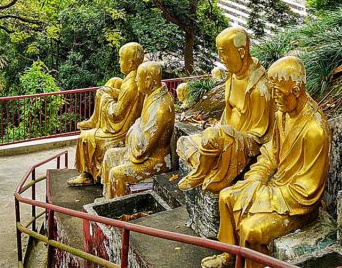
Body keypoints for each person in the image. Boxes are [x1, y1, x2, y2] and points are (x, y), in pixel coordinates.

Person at [201, 56, 329, 268]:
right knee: (226, 196)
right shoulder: (283, 114)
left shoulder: (315, 130)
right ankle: (229, 256)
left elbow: (308, 191)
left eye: (278, 92)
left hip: (297, 204)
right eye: (272, 90)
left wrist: (264, 195)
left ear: (296, 90)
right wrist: (256, 178)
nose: (274, 97)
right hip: (276, 188)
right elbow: (271, 153)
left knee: (252, 230)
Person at [177, 26, 274, 193]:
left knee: (213, 137)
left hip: (244, 144)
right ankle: (208, 164)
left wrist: (225, 136)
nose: (221, 59)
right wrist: (218, 134)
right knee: (183, 142)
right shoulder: (232, 76)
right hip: (225, 137)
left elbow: (259, 137)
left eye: (224, 53)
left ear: (242, 52)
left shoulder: (259, 88)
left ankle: (202, 171)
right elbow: (227, 115)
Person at [68, 42, 145, 187]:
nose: (118, 62)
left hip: (120, 131)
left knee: (85, 137)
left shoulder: (131, 84)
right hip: (126, 123)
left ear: (130, 63)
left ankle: (87, 175)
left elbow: (116, 114)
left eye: (121, 58)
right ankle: (94, 119)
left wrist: (106, 98)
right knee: (113, 82)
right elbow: (123, 98)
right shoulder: (132, 78)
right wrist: (109, 92)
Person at [100, 61, 175, 198]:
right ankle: (108, 198)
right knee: (110, 155)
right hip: (143, 151)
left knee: (117, 174)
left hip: (154, 159)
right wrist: (137, 126)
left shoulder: (161, 108)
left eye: (138, 77)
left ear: (147, 80)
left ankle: (118, 208)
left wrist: (134, 127)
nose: (135, 80)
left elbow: (142, 147)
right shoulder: (151, 94)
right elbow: (140, 126)